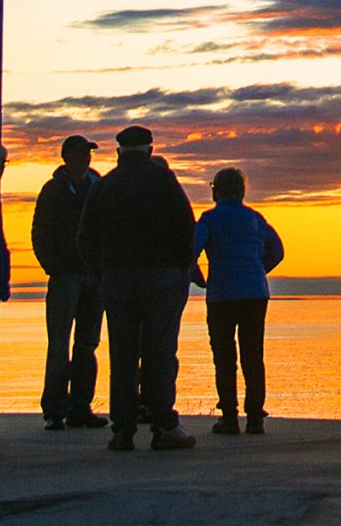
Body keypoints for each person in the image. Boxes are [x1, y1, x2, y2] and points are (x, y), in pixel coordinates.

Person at [76, 123, 197, 451]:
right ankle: (164, 425)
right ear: (151, 150)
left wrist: (100, 272)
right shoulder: (163, 181)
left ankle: (122, 429)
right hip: (160, 276)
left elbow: (85, 236)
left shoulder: (105, 185)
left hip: (116, 277)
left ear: (118, 153)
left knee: (123, 354)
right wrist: (181, 267)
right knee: (160, 351)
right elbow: (186, 227)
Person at [192, 166, 286, 435]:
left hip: (222, 294)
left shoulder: (209, 219)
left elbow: (192, 251)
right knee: (253, 355)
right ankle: (255, 417)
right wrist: (257, 269)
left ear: (216, 190)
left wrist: (199, 278)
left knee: (224, 356)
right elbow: (278, 251)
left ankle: (230, 417)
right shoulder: (256, 219)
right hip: (254, 293)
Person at [30, 135, 108, 430]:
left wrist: (101, 267)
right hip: (65, 277)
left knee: (88, 344)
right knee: (59, 345)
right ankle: (54, 410)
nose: (85, 158)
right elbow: (40, 233)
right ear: (67, 157)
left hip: (93, 277)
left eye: (88, 154)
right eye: (79, 154)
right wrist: (55, 267)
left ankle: (81, 406)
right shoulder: (53, 190)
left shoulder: (98, 188)